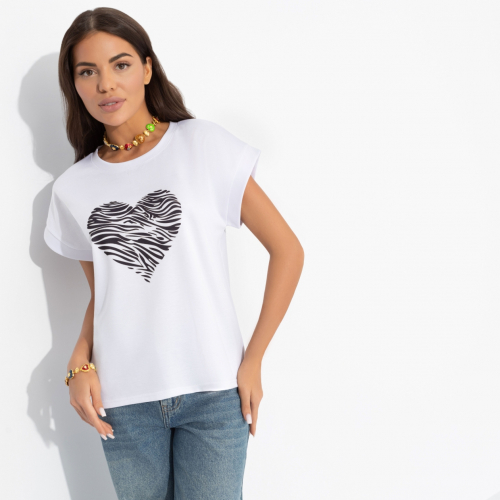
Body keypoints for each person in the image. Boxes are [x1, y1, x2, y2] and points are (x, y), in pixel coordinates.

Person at [44, 7, 304, 500]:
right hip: (122, 400)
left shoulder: (202, 145)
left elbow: (288, 250)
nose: (105, 84)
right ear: (73, 85)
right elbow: (106, 294)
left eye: (120, 65)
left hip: (214, 392)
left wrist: (253, 360)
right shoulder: (73, 188)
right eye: (87, 72)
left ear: (147, 68)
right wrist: (79, 365)